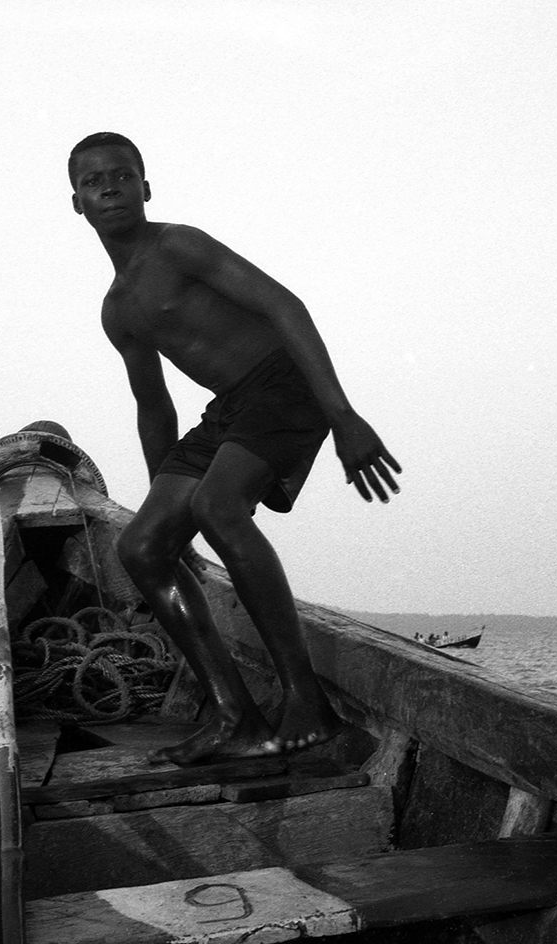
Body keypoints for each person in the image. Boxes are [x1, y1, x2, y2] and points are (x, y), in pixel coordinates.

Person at [68, 132, 401, 765]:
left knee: (219, 506)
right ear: (77, 203)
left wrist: (344, 416)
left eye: (121, 175)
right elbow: (154, 407)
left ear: (145, 186)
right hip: (228, 410)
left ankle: (307, 701)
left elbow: (285, 306)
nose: (108, 187)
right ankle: (234, 717)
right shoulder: (117, 310)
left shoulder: (179, 245)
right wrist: (162, 514)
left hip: (285, 384)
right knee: (140, 546)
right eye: (93, 181)